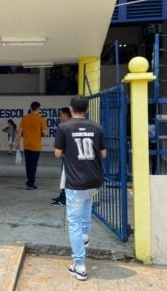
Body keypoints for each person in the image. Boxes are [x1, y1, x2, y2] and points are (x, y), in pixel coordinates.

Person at [54, 96, 107, 282]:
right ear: (86, 109)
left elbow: (57, 153)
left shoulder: (64, 128)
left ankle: (80, 266)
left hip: (75, 182)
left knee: (74, 223)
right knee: (87, 207)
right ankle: (85, 237)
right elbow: (103, 153)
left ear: (71, 108)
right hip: (94, 180)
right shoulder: (97, 127)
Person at [14, 101, 48, 190]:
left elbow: (19, 132)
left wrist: (16, 143)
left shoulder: (25, 118)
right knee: (33, 165)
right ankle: (30, 183)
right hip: (36, 146)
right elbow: (45, 133)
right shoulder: (40, 119)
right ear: (38, 109)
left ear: (31, 108)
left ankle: (29, 179)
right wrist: (41, 134)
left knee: (28, 164)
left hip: (27, 145)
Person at [51, 107, 72, 206]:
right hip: (66, 155)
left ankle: (64, 199)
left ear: (66, 115)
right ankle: (62, 195)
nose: (59, 117)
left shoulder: (67, 126)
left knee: (66, 177)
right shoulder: (68, 126)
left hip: (68, 156)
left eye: (61, 114)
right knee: (63, 177)